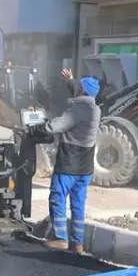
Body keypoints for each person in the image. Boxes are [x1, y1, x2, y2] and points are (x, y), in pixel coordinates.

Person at [44, 71, 102, 252]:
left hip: (69, 164)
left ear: (82, 91)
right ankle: (77, 243)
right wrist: (69, 80)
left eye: (78, 87)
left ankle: (60, 238)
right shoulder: (95, 109)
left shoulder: (78, 110)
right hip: (85, 168)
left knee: (57, 198)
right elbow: (80, 94)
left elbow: (56, 126)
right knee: (78, 204)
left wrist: (39, 125)